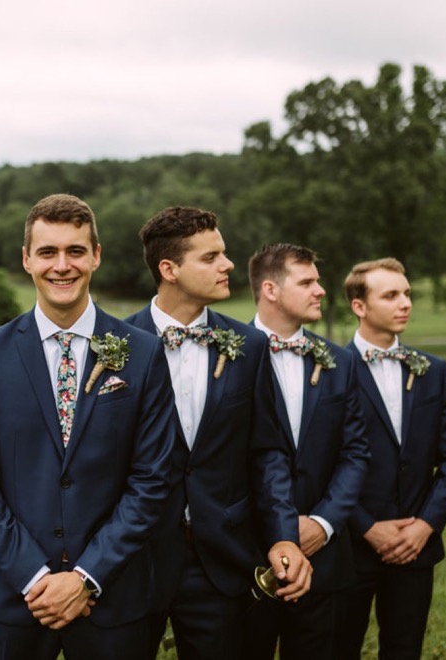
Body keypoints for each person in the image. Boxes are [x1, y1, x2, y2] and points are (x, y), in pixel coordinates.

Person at [0, 193, 177, 660]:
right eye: (48, 252)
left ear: (96, 255)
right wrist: (35, 577)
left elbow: (153, 479)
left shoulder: (143, 352)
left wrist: (86, 577)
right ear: (27, 260)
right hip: (14, 598)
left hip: (112, 598)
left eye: (75, 251)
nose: (62, 265)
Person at [123, 207, 312, 660]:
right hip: (134, 557)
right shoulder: (118, 344)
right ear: (169, 269)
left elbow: (268, 452)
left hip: (222, 558)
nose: (228, 265)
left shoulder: (249, 346)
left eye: (224, 254)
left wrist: (283, 535)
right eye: (211, 258)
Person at [336, 257, 446, 659]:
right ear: (359, 306)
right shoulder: (330, 370)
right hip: (350, 545)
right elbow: (321, 462)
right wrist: (366, 527)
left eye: (408, 293)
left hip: (416, 546)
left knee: (404, 648)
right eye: (391, 295)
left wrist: (425, 525)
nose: (405, 303)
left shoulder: (434, 370)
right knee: (338, 647)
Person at [243, 243, 370, 660]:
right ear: (271, 290)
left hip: (325, 554)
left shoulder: (340, 361)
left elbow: (355, 453)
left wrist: (323, 522)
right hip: (247, 551)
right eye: (308, 282)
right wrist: (275, 530)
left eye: (318, 281)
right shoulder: (229, 353)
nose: (321, 290)